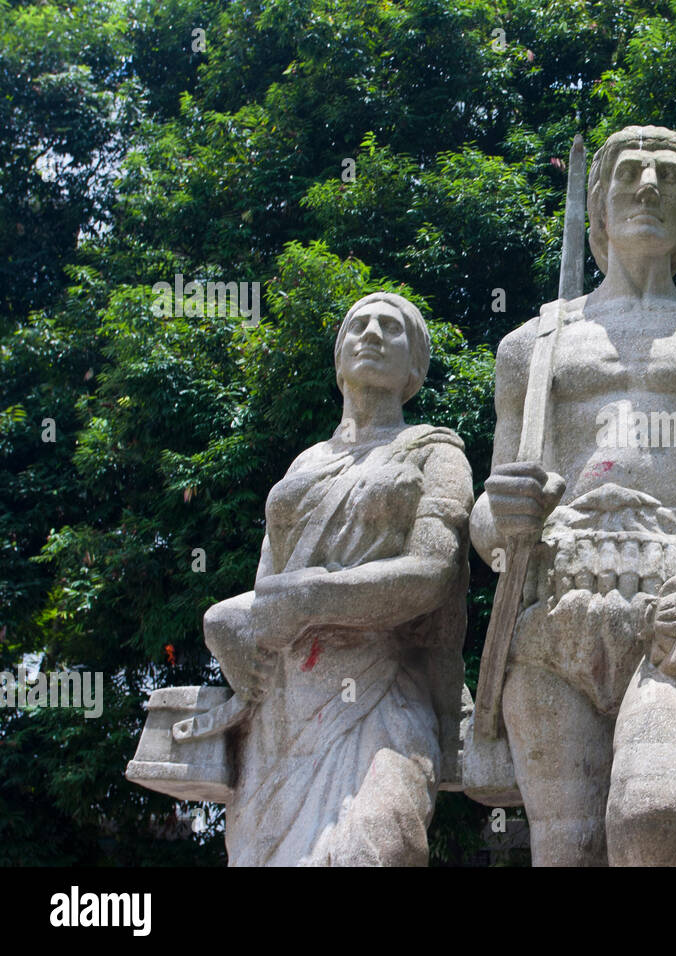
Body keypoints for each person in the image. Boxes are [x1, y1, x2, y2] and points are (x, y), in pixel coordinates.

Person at [470, 126, 676, 865]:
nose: (649, 186)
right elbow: (490, 512)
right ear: (598, 212)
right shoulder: (533, 347)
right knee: (568, 848)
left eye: (669, 176)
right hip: (551, 609)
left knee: (653, 810)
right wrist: (501, 514)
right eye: (630, 175)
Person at [204, 292, 473, 866]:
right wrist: (223, 623)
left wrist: (310, 598)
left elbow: (431, 573)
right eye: (358, 324)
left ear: (416, 368)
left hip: (382, 693)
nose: (372, 333)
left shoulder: (435, 451)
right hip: (283, 706)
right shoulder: (305, 464)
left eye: (392, 328)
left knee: (378, 845)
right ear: (338, 357)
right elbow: (269, 586)